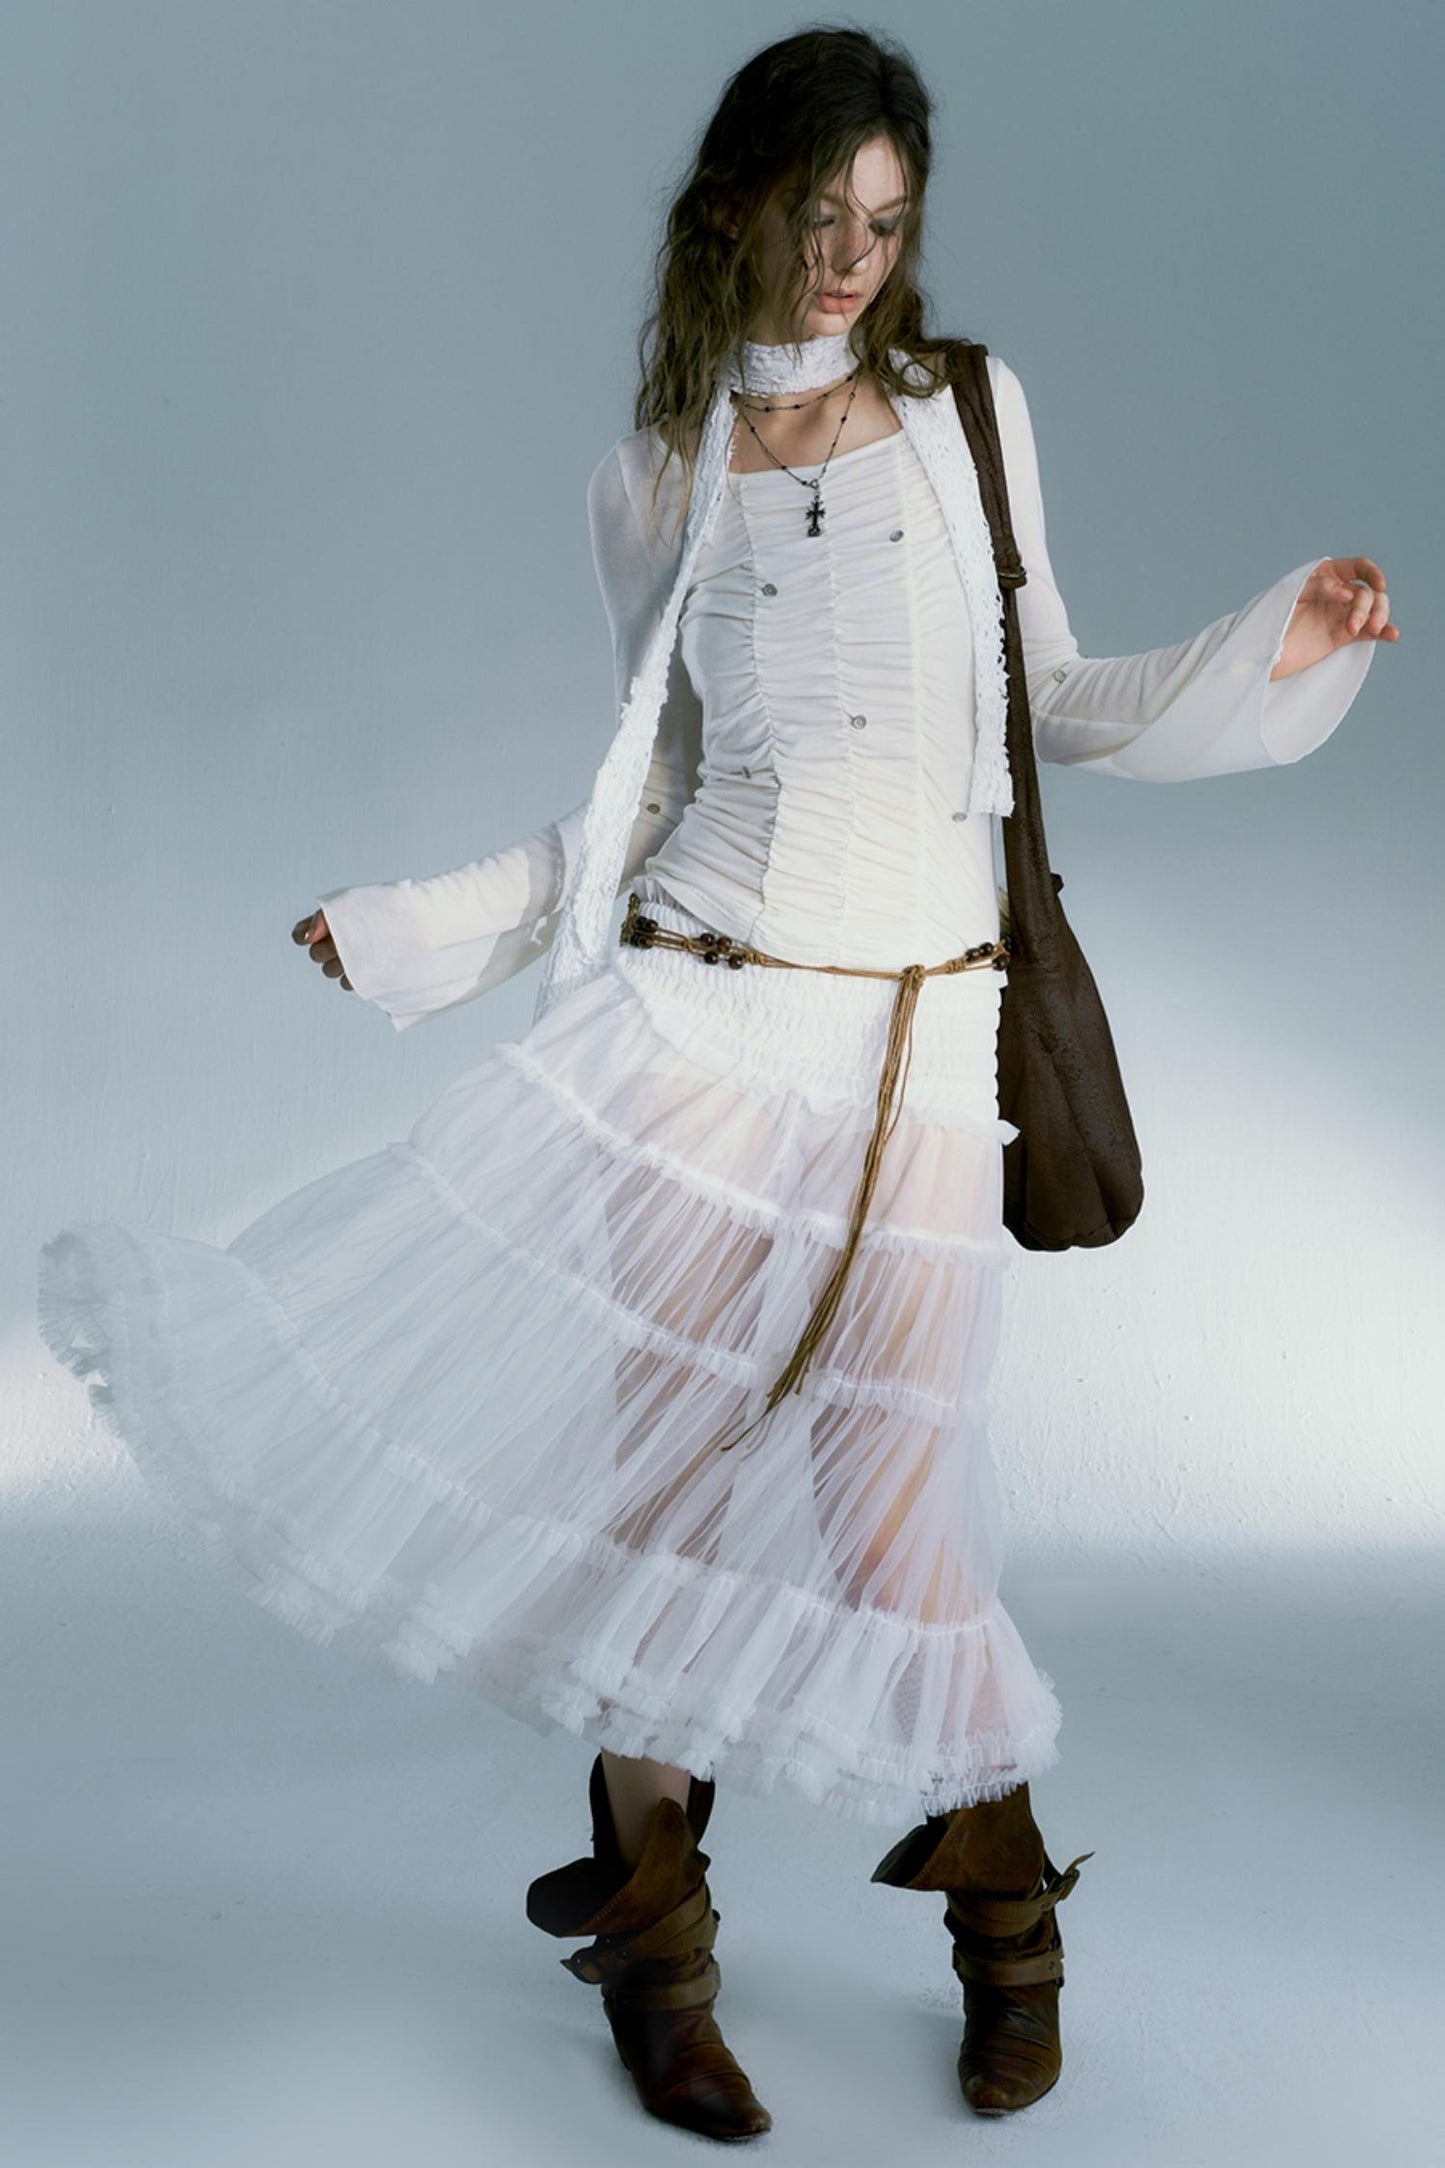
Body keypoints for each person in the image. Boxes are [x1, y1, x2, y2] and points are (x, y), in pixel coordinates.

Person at [37, 24, 1394, 2148]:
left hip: (919, 1046)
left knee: (892, 1515)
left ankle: (1008, 1926)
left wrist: (1273, 644)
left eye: (887, 223)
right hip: (699, 1020)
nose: (851, 257)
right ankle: (659, 1960)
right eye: (818, 214)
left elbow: (1053, 697)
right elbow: (642, 799)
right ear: (735, 208)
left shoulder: (971, 418)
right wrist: (421, 925)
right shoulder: (656, 478)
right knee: (656, 1496)